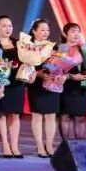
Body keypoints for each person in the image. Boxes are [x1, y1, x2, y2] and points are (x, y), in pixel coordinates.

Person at [25, 19, 60, 158]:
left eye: (47, 30)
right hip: (36, 85)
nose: (46, 32)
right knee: (37, 115)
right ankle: (39, 146)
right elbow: (26, 66)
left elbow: (59, 64)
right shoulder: (28, 47)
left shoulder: (53, 46)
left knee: (51, 116)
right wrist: (38, 73)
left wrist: (56, 72)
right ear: (34, 31)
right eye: (42, 30)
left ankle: (49, 145)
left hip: (52, 84)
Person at [0, 16, 24, 159]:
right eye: (4, 26)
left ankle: (15, 146)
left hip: (17, 82)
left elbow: (27, 60)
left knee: (15, 114)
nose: (8, 28)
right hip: (0, 83)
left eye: (10, 25)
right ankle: (5, 144)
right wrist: (3, 68)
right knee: (1, 114)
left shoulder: (20, 44)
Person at [58, 22, 86, 141]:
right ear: (65, 34)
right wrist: (72, 76)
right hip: (66, 86)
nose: (76, 34)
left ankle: (79, 145)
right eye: (73, 31)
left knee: (80, 117)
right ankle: (66, 144)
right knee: (65, 116)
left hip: (82, 87)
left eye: (78, 31)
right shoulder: (61, 49)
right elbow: (55, 70)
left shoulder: (84, 49)